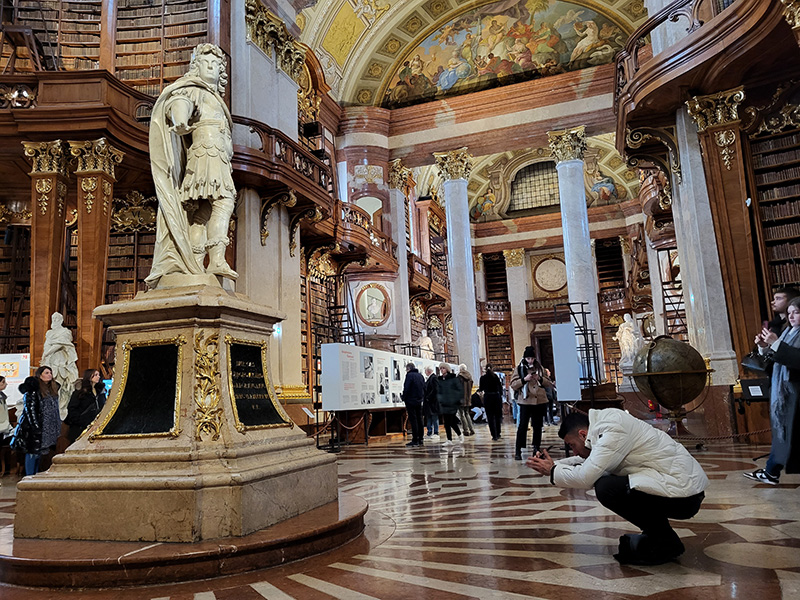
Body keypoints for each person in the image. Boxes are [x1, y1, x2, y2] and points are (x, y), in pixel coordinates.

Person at [528, 409, 708, 565]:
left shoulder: (613, 429)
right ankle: (662, 538)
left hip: (684, 495)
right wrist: (555, 465)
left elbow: (585, 477)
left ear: (583, 434)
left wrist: (552, 472)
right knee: (611, 484)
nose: (574, 452)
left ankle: (663, 540)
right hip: (681, 487)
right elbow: (589, 461)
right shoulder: (605, 426)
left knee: (607, 488)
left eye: (572, 445)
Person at [147, 43, 237, 288]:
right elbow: (179, 101)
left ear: (221, 72)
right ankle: (216, 258)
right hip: (207, 154)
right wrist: (180, 121)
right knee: (224, 201)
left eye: (215, 65)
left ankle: (194, 262)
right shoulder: (196, 89)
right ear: (196, 67)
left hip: (214, 156)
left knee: (200, 214)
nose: (211, 68)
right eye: (206, 63)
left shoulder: (213, 96)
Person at [745, 295, 800, 484]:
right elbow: (774, 361)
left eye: (797, 312)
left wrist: (775, 344)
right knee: (783, 434)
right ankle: (771, 471)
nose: (792, 317)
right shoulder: (787, 332)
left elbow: (796, 359)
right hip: (784, 394)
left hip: (796, 392)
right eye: (790, 313)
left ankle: (771, 471)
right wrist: (763, 348)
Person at [11, 370, 60, 476]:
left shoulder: (52, 389)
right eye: (46, 373)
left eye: (50, 373)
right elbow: (30, 410)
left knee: (39, 454)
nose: (49, 375)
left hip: (48, 427)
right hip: (34, 427)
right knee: (33, 452)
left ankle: (35, 475)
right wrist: (36, 427)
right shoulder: (33, 390)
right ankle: (29, 477)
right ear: (40, 375)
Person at [510, 346, 552, 460]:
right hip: (525, 401)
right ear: (525, 358)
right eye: (528, 358)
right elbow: (513, 384)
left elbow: (548, 383)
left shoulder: (540, 368)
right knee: (522, 426)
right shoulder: (519, 369)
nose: (530, 361)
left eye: (532, 358)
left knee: (537, 426)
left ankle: (536, 447)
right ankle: (518, 449)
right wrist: (524, 379)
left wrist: (540, 379)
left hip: (539, 401)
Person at [41, 312, 79, 419]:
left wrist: (47, 352)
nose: (55, 320)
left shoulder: (66, 332)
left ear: (61, 320)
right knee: (51, 386)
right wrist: (47, 353)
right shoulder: (49, 333)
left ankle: (62, 408)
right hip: (51, 363)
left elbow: (62, 343)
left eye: (57, 318)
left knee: (63, 387)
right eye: (53, 318)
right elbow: (47, 344)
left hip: (61, 363)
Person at [64, 369, 107, 444]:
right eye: (96, 375)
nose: (98, 377)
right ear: (89, 376)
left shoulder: (100, 392)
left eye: (99, 375)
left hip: (96, 426)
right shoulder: (80, 392)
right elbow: (72, 408)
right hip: (81, 427)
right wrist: (80, 420)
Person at [437, 363, 463, 446]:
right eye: (440, 368)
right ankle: (449, 439)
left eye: (443, 368)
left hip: (452, 403)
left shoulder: (453, 378)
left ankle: (459, 435)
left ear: (447, 369)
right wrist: (439, 398)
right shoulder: (440, 379)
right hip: (444, 403)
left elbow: (459, 390)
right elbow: (439, 391)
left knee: (451, 421)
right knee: (446, 423)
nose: (442, 370)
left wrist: (454, 399)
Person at [402, 362, 425, 447]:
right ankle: (421, 438)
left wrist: (404, 397)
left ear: (408, 369)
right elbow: (424, 387)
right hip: (419, 400)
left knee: (413, 420)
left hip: (411, 400)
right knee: (420, 419)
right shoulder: (420, 376)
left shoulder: (409, 376)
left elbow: (406, 387)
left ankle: (415, 439)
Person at [479, 365, 504, 440]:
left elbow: (481, 388)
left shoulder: (482, 378)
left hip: (488, 397)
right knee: (497, 416)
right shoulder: (495, 376)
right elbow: (500, 387)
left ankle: (494, 435)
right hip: (496, 397)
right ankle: (498, 432)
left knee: (490, 417)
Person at [456, 364, 475, 437]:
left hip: (461, 398)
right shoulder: (470, 377)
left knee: (461, 414)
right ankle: (471, 429)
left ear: (460, 369)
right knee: (467, 413)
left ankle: (466, 430)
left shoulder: (459, 377)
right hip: (468, 398)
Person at [423, 366, 440, 440]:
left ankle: (436, 432)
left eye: (425, 371)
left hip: (433, 402)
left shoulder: (434, 378)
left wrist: (428, 397)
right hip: (429, 403)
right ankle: (429, 432)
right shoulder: (431, 378)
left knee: (434, 417)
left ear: (428, 371)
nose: (425, 372)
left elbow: (435, 389)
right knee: (429, 417)